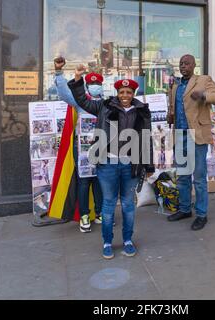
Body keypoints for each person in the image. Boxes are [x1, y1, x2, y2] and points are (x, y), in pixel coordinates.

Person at [68, 64, 155, 260]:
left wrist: (148, 166)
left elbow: (146, 138)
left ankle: (127, 240)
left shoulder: (141, 110)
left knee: (127, 205)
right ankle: (107, 242)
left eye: (128, 91)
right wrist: (77, 79)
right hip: (107, 164)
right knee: (108, 205)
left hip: (131, 165)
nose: (125, 95)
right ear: (117, 93)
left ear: (133, 92)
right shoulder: (104, 106)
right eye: (122, 91)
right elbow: (82, 99)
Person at [167, 54, 215, 231]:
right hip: (179, 134)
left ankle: (201, 214)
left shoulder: (204, 80)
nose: (183, 66)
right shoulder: (176, 85)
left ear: (194, 65)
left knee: (199, 178)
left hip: (197, 134)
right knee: (183, 176)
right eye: (181, 64)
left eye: (186, 63)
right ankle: (185, 209)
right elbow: (175, 108)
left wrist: (203, 95)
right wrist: (171, 115)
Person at [54, 57, 103, 233]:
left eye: (98, 83)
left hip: (102, 149)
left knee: (100, 180)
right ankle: (84, 215)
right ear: (88, 86)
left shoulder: (106, 102)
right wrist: (59, 73)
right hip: (82, 149)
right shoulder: (81, 101)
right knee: (84, 181)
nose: (96, 85)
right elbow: (64, 93)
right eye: (92, 83)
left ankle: (100, 213)